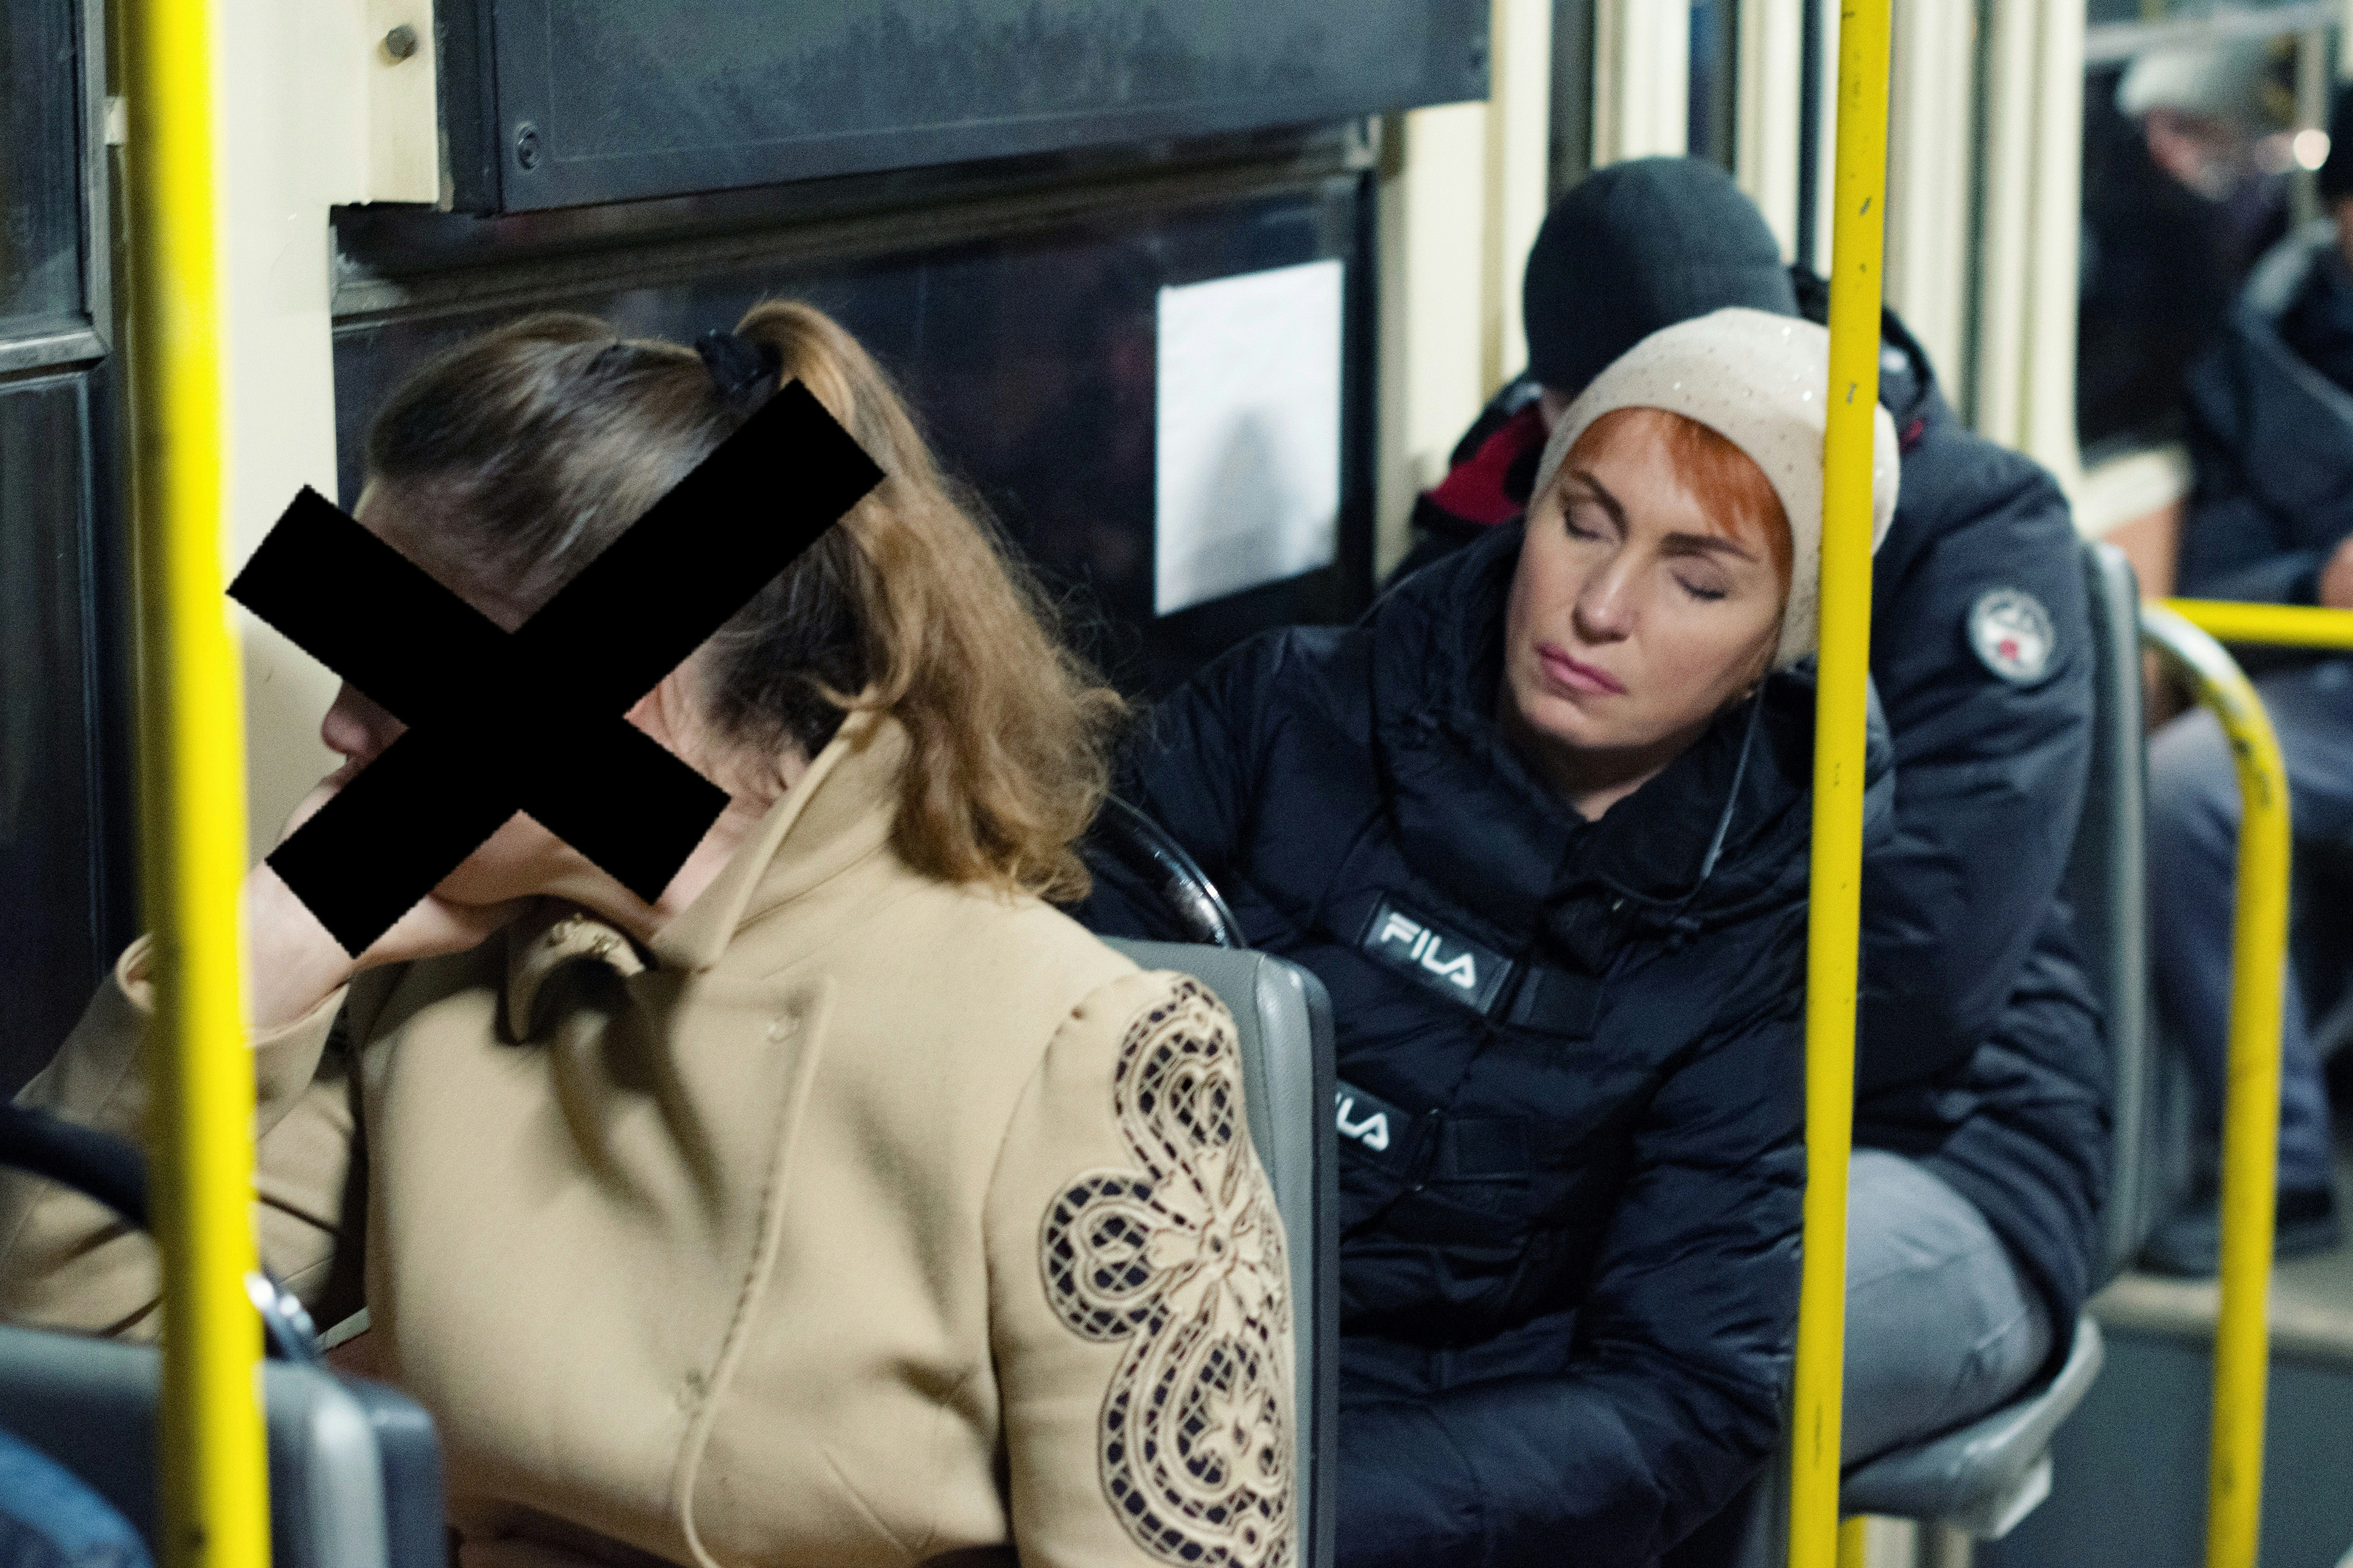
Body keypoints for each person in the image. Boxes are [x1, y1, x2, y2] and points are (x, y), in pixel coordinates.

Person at [0, 306, 1297, 1568]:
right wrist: (265, 948)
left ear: (633, 678)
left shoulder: (1079, 1049)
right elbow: (77, 1364)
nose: (341, 727)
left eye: (390, 666)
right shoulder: (447, 974)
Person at [1080, 306, 1901, 1565]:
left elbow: (1683, 1389)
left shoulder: (1765, 929)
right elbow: (1043, 1025)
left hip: (1414, 1475)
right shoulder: (1278, 711)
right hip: (1107, 1355)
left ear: (1770, 651)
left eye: (1697, 579)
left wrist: (1285, 1505)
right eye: (1582, 519)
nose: (1599, 607)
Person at [1390, 158, 2111, 1492]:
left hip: (1930, 1144)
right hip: (1570, 1146)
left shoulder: (1967, 527)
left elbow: (1922, 962)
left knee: (1644, 1364)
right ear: (1556, 422)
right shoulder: (1490, 540)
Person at [2141, 86, 2353, 1275]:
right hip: (2324, 685)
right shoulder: (2254, 351)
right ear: (2336, 214)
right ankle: (2280, 1166)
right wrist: (2312, 583)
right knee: (2183, 789)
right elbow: (2215, 566)